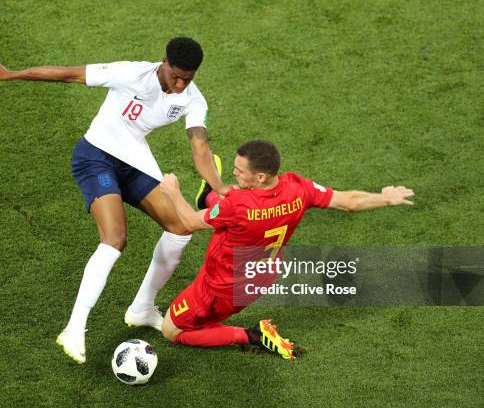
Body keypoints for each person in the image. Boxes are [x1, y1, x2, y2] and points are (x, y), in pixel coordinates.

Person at [0, 37, 231, 364]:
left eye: (189, 77)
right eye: (176, 76)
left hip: (134, 161)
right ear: (164, 63)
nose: (181, 83)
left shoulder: (192, 99)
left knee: (181, 228)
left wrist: (221, 187)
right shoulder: (130, 73)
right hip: (96, 156)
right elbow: (67, 74)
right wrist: (11, 74)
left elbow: (200, 147)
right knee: (115, 238)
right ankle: (73, 328)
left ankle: (142, 307)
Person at [159, 140, 414, 360]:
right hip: (261, 279)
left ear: (260, 177)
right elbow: (348, 202)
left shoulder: (238, 205)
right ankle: (209, 199)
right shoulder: (297, 187)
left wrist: (173, 192)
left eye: (239, 170)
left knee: (172, 330)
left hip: (220, 286)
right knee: (230, 200)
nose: (234, 173)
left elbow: (189, 222)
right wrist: (384, 198)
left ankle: (252, 335)